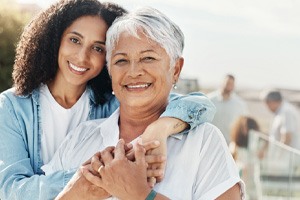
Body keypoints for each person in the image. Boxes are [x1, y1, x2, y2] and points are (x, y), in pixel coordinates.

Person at [0, 1, 216, 199]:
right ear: (54, 40)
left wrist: (159, 129)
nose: (82, 56)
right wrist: (95, 176)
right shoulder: (12, 106)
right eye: (74, 40)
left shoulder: (112, 102)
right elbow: (9, 190)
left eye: (98, 48)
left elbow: (199, 104)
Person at [43, 7, 245, 199]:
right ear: (110, 71)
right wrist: (75, 194)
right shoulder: (80, 137)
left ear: (175, 69)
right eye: (121, 61)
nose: (133, 72)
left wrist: (141, 195)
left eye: (148, 58)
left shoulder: (203, 142)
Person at [208, 74, 248, 144]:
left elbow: (243, 124)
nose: (228, 86)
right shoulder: (209, 100)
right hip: (210, 141)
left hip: (229, 144)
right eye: (227, 83)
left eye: (231, 84)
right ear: (222, 83)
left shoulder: (239, 104)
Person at [229, 116, 260, 200]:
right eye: (244, 128)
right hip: (238, 182)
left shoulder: (254, 147)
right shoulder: (234, 146)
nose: (246, 131)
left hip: (251, 184)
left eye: (248, 129)